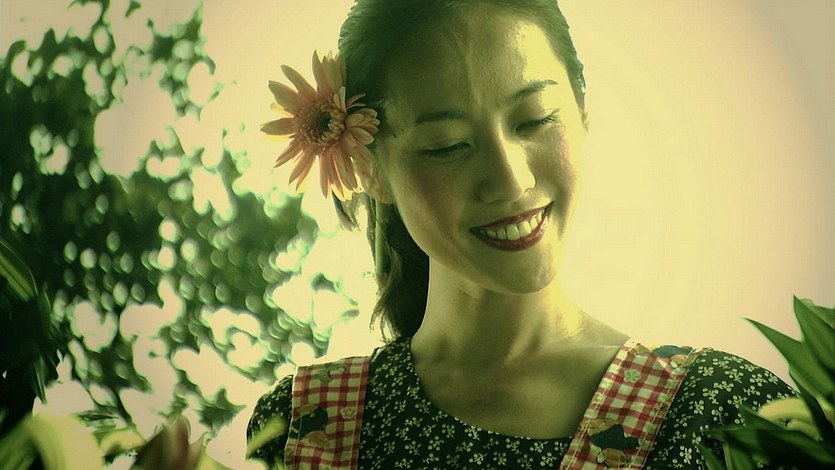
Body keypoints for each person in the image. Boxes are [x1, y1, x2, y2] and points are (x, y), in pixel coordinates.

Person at [247, 1, 794, 468]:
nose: (512, 180)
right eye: (447, 145)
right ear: (370, 170)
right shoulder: (304, 426)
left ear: (583, 113)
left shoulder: (724, 414)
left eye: (535, 119)